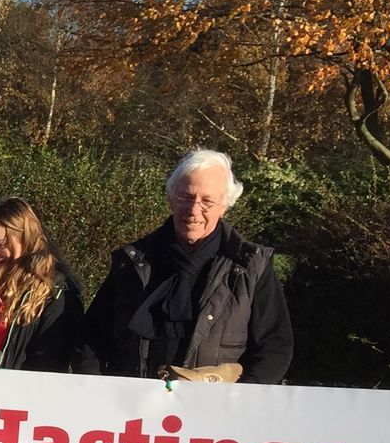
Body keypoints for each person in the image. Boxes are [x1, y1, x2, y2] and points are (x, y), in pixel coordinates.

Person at [82, 150, 293, 383]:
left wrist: (240, 403)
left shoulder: (250, 266)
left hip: (215, 410)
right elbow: (91, 339)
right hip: (133, 410)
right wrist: (99, 392)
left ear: (225, 206)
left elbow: (274, 348)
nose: (194, 210)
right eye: (186, 197)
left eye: (207, 201)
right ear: (171, 199)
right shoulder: (132, 262)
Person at [0, 198, 85, 371]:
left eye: (0, 245)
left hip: (13, 394)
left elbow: (50, 363)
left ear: (26, 239)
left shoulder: (54, 292)